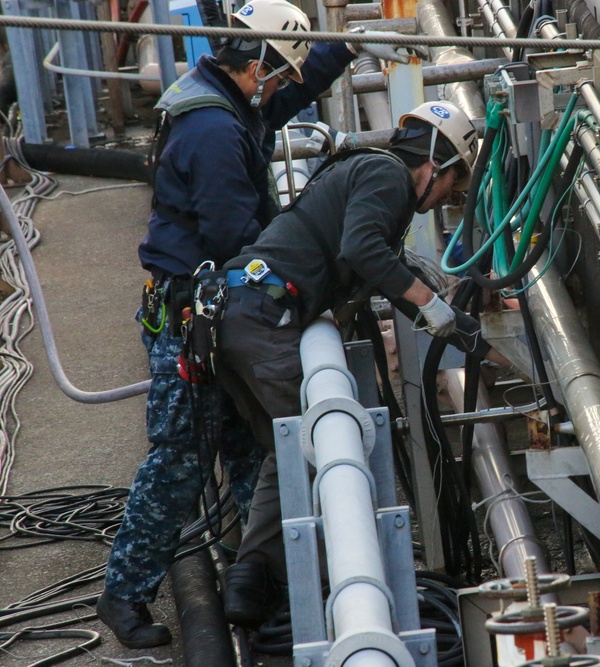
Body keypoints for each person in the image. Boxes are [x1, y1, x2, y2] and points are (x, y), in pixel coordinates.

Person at [98, 0, 427, 648]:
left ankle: (266, 590)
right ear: (257, 64)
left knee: (258, 446)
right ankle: (125, 591)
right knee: (182, 459)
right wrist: (300, 257)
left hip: (212, 304)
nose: (279, 90)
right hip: (187, 308)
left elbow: (280, 99)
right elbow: (234, 237)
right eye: (277, 75)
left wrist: (344, 49)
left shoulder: (226, 99)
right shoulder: (216, 132)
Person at [210, 100, 502, 627]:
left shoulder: (366, 172)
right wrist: (431, 307)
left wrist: (451, 296)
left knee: (288, 454)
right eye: (451, 186)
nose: (442, 201)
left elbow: (374, 258)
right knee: (315, 447)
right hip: (263, 317)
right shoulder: (387, 175)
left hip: (241, 313)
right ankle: (312, 593)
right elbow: (364, 250)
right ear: (434, 164)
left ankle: (252, 587)